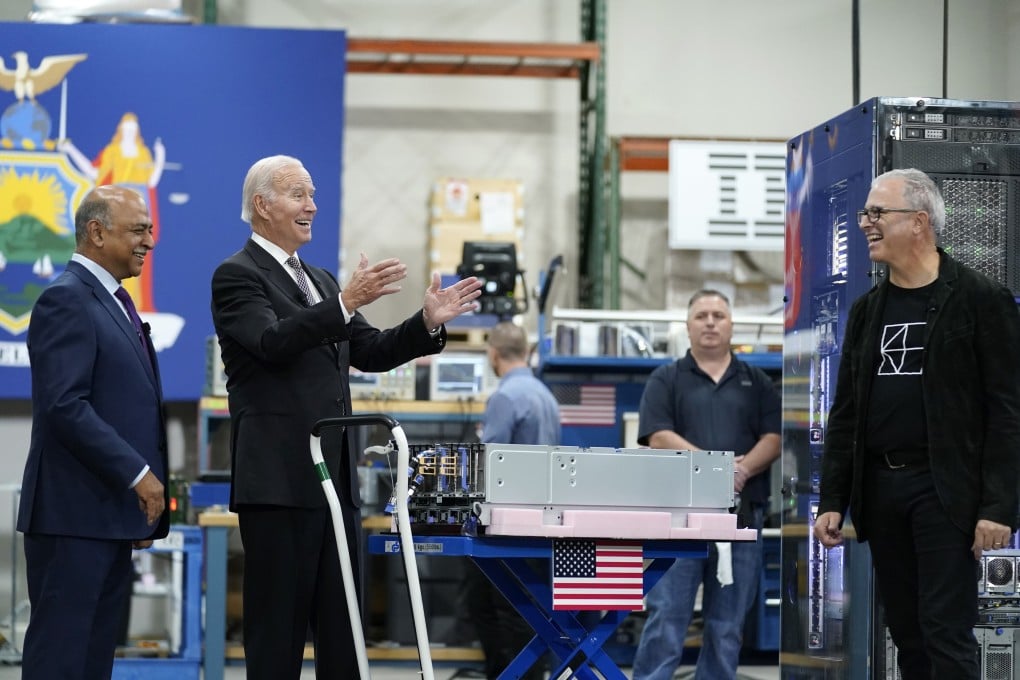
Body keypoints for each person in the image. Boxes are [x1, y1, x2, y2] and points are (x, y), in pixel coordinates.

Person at [210, 154, 482, 680]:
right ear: (262, 206)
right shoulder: (237, 275)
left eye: (313, 195)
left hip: (337, 483)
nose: (312, 205)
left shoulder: (319, 278)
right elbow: (271, 342)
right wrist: (344, 302)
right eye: (299, 195)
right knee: (277, 636)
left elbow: (372, 350)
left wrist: (426, 322)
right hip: (279, 484)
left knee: (346, 632)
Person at [814, 168, 1020, 680]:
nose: (866, 223)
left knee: (944, 630)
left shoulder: (979, 299)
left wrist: (997, 507)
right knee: (906, 632)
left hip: (944, 490)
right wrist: (833, 498)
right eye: (865, 213)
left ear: (920, 222)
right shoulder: (867, 311)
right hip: (883, 490)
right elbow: (846, 412)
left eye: (879, 213)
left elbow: (1008, 412)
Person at [17, 185, 169, 679]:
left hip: (106, 519)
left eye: (149, 229)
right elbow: (66, 406)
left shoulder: (114, 301)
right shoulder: (65, 300)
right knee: (61, 660)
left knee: (92, 662)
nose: (149, 240)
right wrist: (138, 475)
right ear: (97, 232)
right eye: (139, 230)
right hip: (71, 520)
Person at [631, 289, 781, 680]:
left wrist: (741, 470)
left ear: (731, 325)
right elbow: (659, 435)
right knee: (667, 616)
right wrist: (714, 469)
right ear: (688, 326)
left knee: (727, 622)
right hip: (678, 517)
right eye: (702, 316)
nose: (711, 322)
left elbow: (774, 438)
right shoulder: (666, 379)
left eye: (718, 315)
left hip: (741, 515)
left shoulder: (757, 381)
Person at [464, 321, 561, 680]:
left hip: (506, 521)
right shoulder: (545, 396)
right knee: (528, 606)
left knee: (495, 606)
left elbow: (489, 463)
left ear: (493, 354)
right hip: (540, 518)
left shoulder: (505, 397)